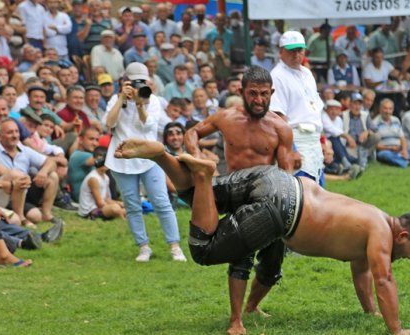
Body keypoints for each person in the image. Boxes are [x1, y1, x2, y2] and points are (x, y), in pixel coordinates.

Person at [114, 140, 410, 335]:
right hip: (284, 210)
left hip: (278, 180)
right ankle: (203, 174)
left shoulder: (372, 217)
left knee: (198, 196)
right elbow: (383, 278)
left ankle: (162, 157)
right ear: (402, 234)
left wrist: (371, 311)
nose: (409, 257)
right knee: (204, 249)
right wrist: (397, 330)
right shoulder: (382, 236)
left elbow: (362, 272)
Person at [177, 66, 297, 335]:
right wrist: (197, 156)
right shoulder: (226, 118)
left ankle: (251, 306)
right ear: (241, 92)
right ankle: (235, 321)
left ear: (272, 93)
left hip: (267, 198)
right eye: (252, 93)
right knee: (241, 256)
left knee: (273, 263)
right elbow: (192, 133)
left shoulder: (281, 129)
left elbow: (286, 175)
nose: (258, 100)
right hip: (234, 193)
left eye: (264, 94)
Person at [103, 62, 186, 263]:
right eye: (135, 82)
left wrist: (140, 104)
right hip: (122, 158)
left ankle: (175, 246)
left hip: (149, 157)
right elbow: (109, 123)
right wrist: (122, 98)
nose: (140, 86)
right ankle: (143, 247)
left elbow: (149, 125)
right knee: (132, 205)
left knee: (161, 201)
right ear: (125, 82)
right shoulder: (116, 99)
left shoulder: (153, 100)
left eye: (143, 81)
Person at [270, 31, 323, 184]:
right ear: (281, 52)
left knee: (319, 192)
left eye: (300, 50)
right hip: (296, 137)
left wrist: (323, 141)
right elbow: (278, 117)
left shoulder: (307, 73)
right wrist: (291, 148)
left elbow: (315, 111)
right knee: (302, 192)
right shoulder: (277, 76)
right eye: (291, 50)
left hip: (314, 139)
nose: (296, 54)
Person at [374, 99, 410, 168]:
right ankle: (409, 161)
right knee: (384, 155)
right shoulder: (375, 123)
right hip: (386, 150)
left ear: (393, 110)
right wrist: (390, 148)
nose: (388, 111)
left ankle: (401, 159)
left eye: (390, 109)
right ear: (380, 109)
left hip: (400, 150)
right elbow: (375, 145)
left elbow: (402, 138)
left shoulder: (396, 120)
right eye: (385, 108)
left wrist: (404, 150)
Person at [77, 147, 125, 220]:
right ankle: (122, 215)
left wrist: (119, 204)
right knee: (115, 208)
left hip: (101, 206)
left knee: (123, 205)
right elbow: (99, 203)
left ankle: (121, 212)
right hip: (90, 211)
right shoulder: (93, 178)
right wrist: (115, 206)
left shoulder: (106, 177)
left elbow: (106, 199)